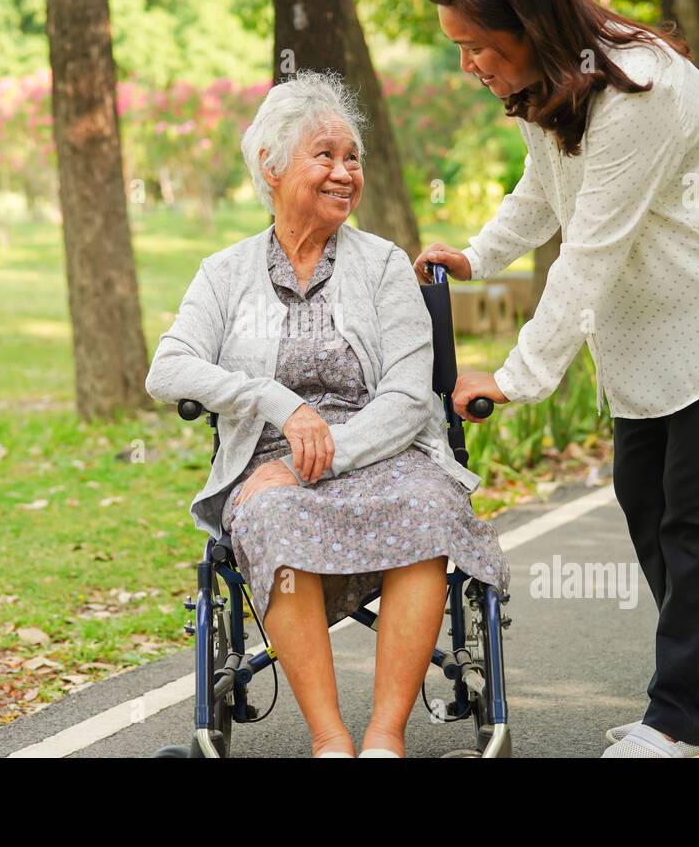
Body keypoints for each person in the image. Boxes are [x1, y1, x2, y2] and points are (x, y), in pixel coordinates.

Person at [414, 0, 699, 758]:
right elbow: (544, 189)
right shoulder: (552, 85)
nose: (468, 63)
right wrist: (478, 256)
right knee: (647, 497)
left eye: (476, 45)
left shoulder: (637, 90)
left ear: (529, 25)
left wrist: (515, 374)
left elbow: (589, 256)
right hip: (664, 314)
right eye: (458, 47)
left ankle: (679, 721)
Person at [145, 70, 509, 758]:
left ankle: (383, 739)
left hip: (382, 452)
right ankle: (331, 742)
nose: (345, 172)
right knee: (270, 514)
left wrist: (326, 451)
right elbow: (168, 368)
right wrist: (279, 406)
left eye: (353, 158)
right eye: (326, 155)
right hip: (267, 466)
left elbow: (407, 399)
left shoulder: (381, 266)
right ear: (271, 166)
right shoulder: (224, 274)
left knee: (426, 509)